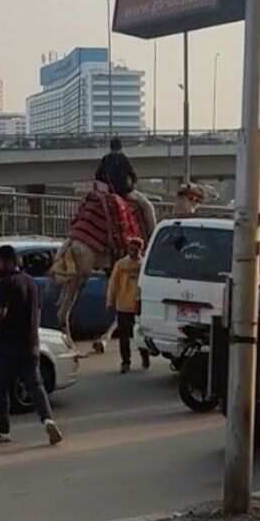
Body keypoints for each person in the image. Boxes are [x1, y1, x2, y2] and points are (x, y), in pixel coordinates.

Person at [0, 245, 63, 445]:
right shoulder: (32, 283)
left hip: (5, 344)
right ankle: (48, 421)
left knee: (0, 388)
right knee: (35, 385)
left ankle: (3, 431)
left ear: (10, 262)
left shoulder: (5, 283)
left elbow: (0, 312)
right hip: (30, 343)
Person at [94, 138, 156, 238]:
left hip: (109, 194)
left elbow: (98, 176)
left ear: (111, 147)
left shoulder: (105, 159)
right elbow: (133, 176)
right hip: (125, 194)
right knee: (147, 206)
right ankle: (152, 235)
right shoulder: (123, 158)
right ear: (120, 147)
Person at [107, 237, 149, 373]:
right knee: (124, 337)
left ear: (140, 250)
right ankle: (125, 362)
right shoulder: (121, 265)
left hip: (139, 306)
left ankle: (145, 356)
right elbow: (113, 283)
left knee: (141, 335)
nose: (133, 252)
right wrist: (110, 300)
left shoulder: (144, 266)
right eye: (131, 249)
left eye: (136, 250)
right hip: (123, 305)